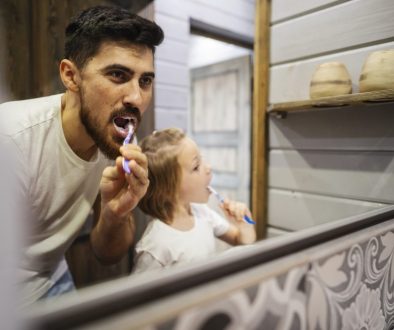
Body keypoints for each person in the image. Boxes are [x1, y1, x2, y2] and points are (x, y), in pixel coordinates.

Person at [0, 5, 164, 305]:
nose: (136, 98)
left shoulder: (117, 137)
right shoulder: (11, 140)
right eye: (117, 74)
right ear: (71, 76)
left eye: (145, 80)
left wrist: (117, 213)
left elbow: (106, 253)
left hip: (52, 274)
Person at [133, 128, 256, 273]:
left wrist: (245, 226)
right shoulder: (155, 247)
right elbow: (140, 294)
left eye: (201, 159)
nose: (208, 168)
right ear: (167, 190)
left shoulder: (202, 213)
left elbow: (239, 240)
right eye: (196, 166)